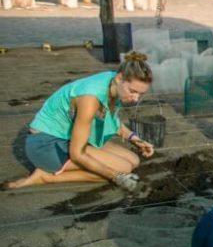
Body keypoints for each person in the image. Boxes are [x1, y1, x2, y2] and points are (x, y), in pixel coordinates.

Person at [5, 51, 155, 190]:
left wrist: (134, 139)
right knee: (123, 168)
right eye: (133, 91)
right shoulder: (90, 98)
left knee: (133, 160)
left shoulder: (113, 81)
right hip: (46, 145)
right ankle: (45, 177)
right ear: (120, 78)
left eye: (140, 94)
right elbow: (77, 154)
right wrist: (116, 176)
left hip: (66, 138)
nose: (135, 99)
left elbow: (110, 119)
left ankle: (55, 172)